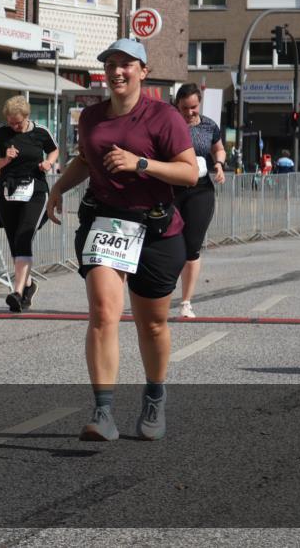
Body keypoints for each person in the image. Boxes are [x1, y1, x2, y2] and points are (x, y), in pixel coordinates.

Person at [45, 38, 197, 442]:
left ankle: (154, 394)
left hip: (155, 228)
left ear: (143, 71)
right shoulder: (92, 117)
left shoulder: (164, 117)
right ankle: (103, 411)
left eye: (126, 64)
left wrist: (141, 163)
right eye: (111, 64)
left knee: (152, 325)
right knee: (103, 313)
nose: (117, 71)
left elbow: (189, 174)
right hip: (106, 223)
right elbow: (85, 158)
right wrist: (58, 187)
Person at [0, 95, 58, 312]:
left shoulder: (40, 132)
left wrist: (48, 163)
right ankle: (29, 286)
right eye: (10, 122)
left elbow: (54, 149)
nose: (14, 126)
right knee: (14, 241)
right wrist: (6, 159)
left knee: (24, 234)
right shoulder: (2, 133)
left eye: (17, 123)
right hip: (7, 191)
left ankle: (18, 291)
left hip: (35, 191)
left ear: (26, 117)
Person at [172, 83, 226, 319]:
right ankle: (160, 295)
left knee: (192, 245)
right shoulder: (169, 123)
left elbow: (219, 149)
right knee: (169, 243)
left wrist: (219, 164)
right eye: (185, 108)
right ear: (177, 105)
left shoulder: (208, 125)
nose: (190, 112)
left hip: (200, 190)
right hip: (170, 188)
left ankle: (186, 302)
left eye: (193, 107)